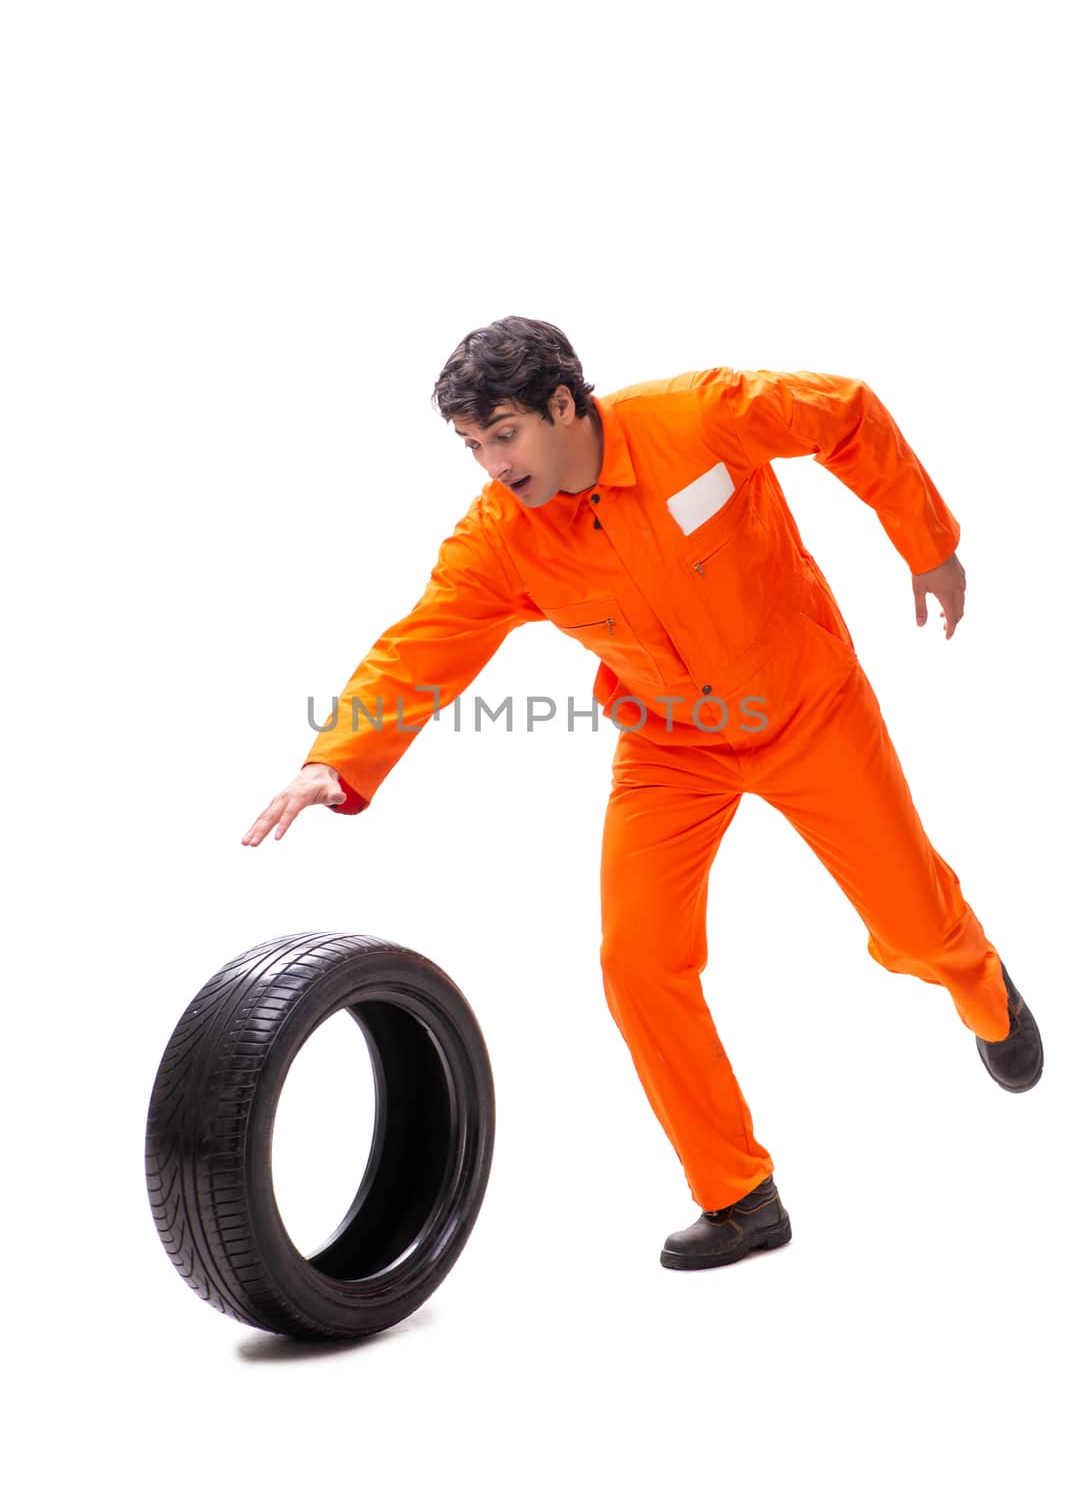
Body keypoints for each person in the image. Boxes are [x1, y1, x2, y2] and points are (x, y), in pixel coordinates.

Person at [242, 315, 1043, 1271]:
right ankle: (739, 1196)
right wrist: (337, 756)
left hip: (807, 707)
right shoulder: (503, 538)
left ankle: (979, 983)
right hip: (671, 747)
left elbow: (846, 414)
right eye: (471, 446)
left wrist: (928, 543)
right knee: (637, 961)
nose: (492, 464)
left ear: (565, 405)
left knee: (913, 924)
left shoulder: (698, 417)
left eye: (504, 434)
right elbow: (425, 642)